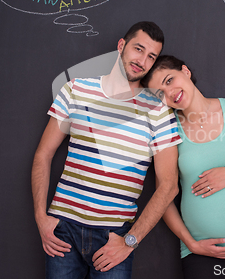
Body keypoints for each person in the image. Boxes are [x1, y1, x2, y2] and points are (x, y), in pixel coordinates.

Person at [31, 22, 182, 279]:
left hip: (114, 237)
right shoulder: (76, 90)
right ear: (121, 45)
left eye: (151, 57)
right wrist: (41, 218)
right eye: (138, 49)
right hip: (63, 230)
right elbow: (43, 155)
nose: (142, 60)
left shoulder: (158, 110)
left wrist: (130, 241)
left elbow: (169, 185)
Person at [141, 55, 225, 279]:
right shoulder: (167, 130)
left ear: (185, 71)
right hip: (199, 246)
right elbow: (163, 198)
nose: (170, 93)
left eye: (169, 80)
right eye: (160, 94)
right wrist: (191, 243)